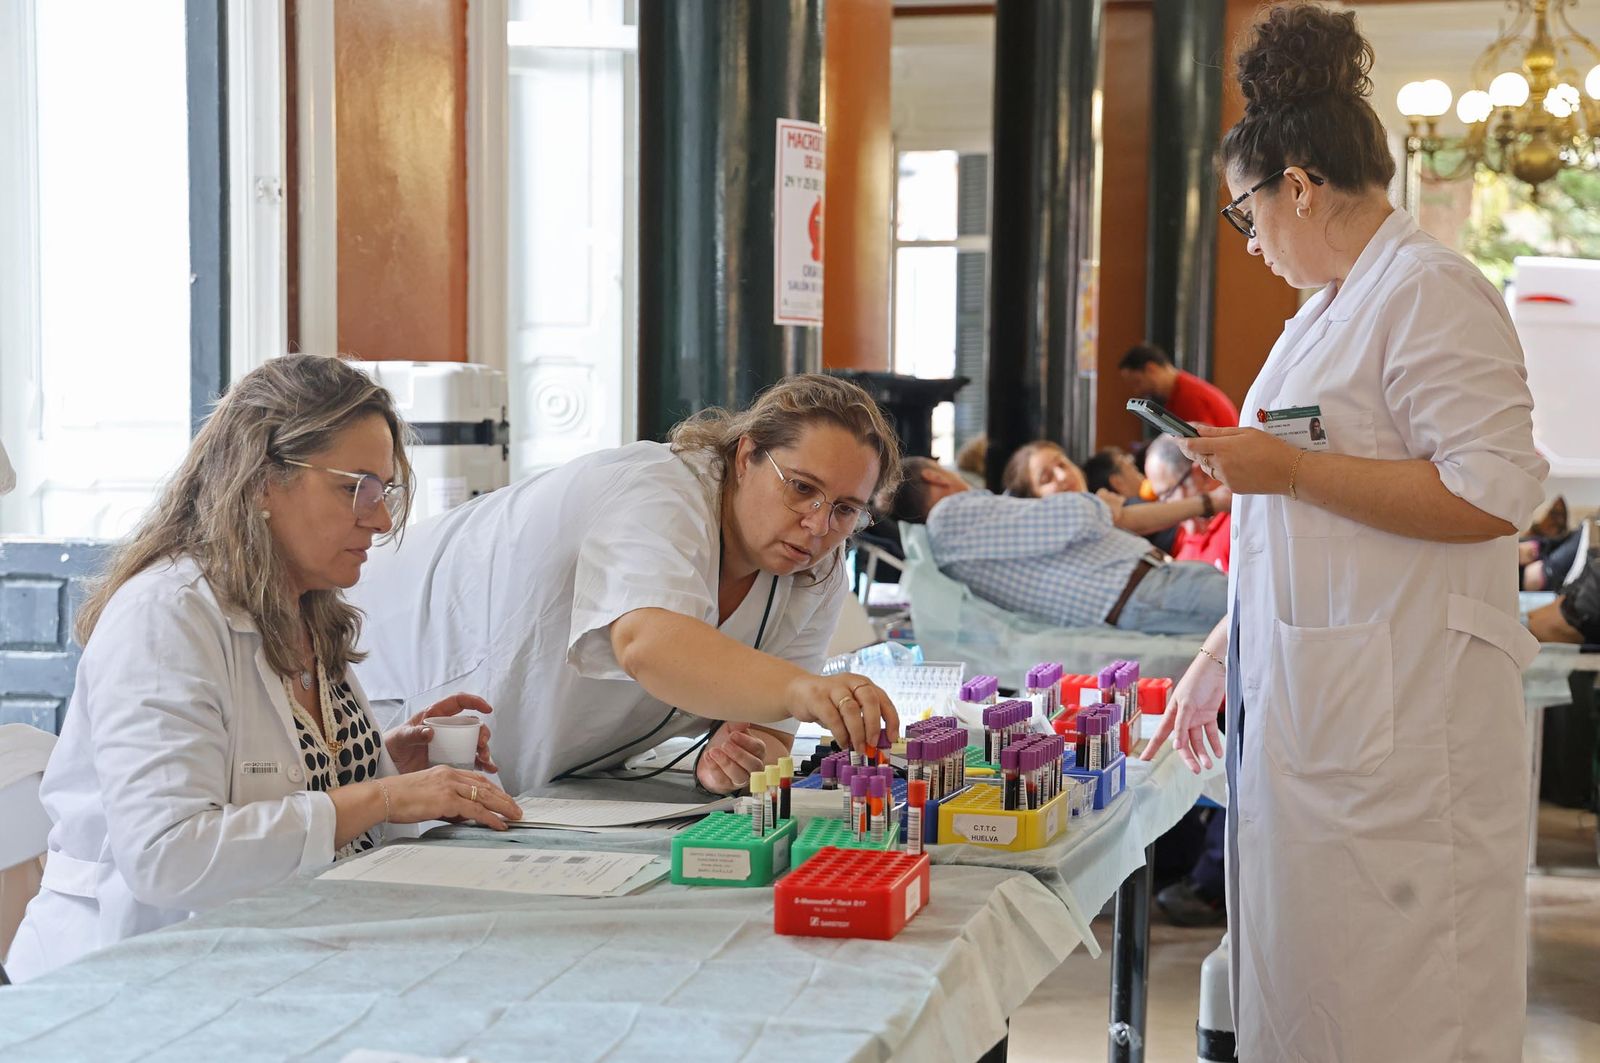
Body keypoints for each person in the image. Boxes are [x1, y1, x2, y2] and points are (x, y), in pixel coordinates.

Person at [1142, 6, 1547, 1060]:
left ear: (1300, 187)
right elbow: (1298, 533)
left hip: (1404, 744)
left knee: (1403, 1017)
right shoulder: (1327, 310)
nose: (1249, 240)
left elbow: (1491, 493)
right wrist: (1219, 651)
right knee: (1311, 1002)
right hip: (1323, 724)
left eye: (1245, 212)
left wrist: (1283, 467)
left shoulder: (1430, 293)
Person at [7, 356, 523, 982]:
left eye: (384, 491)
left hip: (279, 955)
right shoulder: (164, 618)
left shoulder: (303, 607)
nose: (382, 518)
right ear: (260, 482)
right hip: (125, 981)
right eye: (355, 488)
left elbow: (274, 783)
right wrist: (381, 796)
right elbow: (168, 856)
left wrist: (382, 764)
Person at [350, 375, 903, 796]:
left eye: (846, 509)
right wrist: (802, 690)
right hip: (389, 679)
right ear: (746, 455)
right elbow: (648, 645)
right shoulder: (660, 490)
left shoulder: (815, 568)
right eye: (801, 488)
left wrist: (736, 759)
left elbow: (769, 732)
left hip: (542, 773)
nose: (818, 524)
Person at [882, 457, 1227, 634]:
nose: (1063, 478)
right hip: (1142, 590)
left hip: (1144, 590)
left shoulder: (949, 540)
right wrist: (1100, 504)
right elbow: (1073, 517)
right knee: (1255, 614)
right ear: (934, 475)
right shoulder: (949, 516)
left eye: (1062, 463)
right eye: (1047, 476)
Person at [1144, 435, 1230, 571]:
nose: (1165, 506)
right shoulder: (1183, 540)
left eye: (1167, 494)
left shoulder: (1237, 525)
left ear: (1202, 475)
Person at [1119, 343, 1240, 428]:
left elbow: (1202, 443)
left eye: (1137, 382)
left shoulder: (1188, 397)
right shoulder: (1179, 391)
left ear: (1151, 369)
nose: (1137, 391)